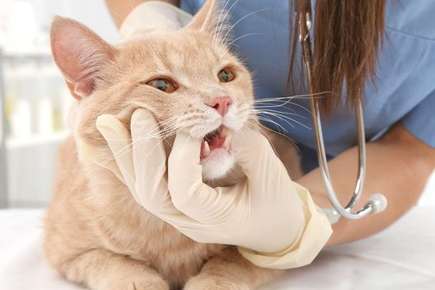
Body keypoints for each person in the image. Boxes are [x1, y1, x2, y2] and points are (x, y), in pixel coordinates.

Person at [102, 0, 435, 268]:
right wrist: (151, 20)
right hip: (184, 127)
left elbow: (414, 148)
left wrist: (301, 221)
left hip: (341, 185)